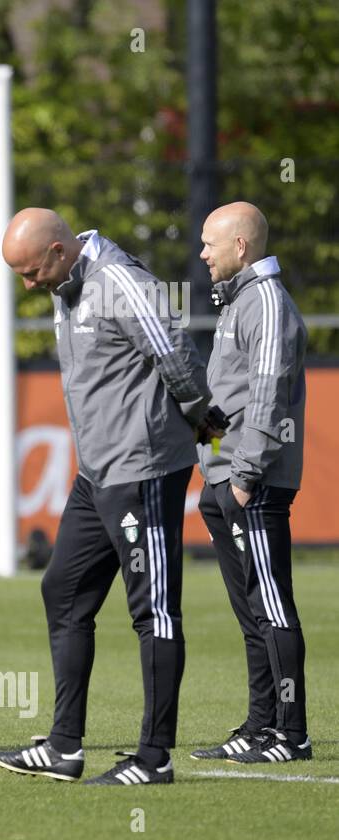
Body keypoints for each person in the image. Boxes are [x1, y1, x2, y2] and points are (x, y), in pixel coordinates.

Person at [0, 208, 219, 785]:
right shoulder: (66, 282)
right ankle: (65, 747)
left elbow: (172, 350)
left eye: (30, 272)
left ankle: (155, 757)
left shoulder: (118, 281)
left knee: (154, 611)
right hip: (97, 474)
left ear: (58, 252)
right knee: (63, 591)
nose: (28, 285)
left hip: (141, 471)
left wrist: (200, 417)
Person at [191, 202, 310, 763]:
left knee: (273, 606)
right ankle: (260, 724)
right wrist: (211, 467)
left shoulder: (266, 301)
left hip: (253, 484)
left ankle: (292, 734)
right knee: (252, 613)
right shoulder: (242, 301)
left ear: (241, 246)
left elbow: (266, 394)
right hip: (227, 477)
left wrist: (241, 475)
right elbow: (228, 396)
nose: (202, 254)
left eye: (210, 244)